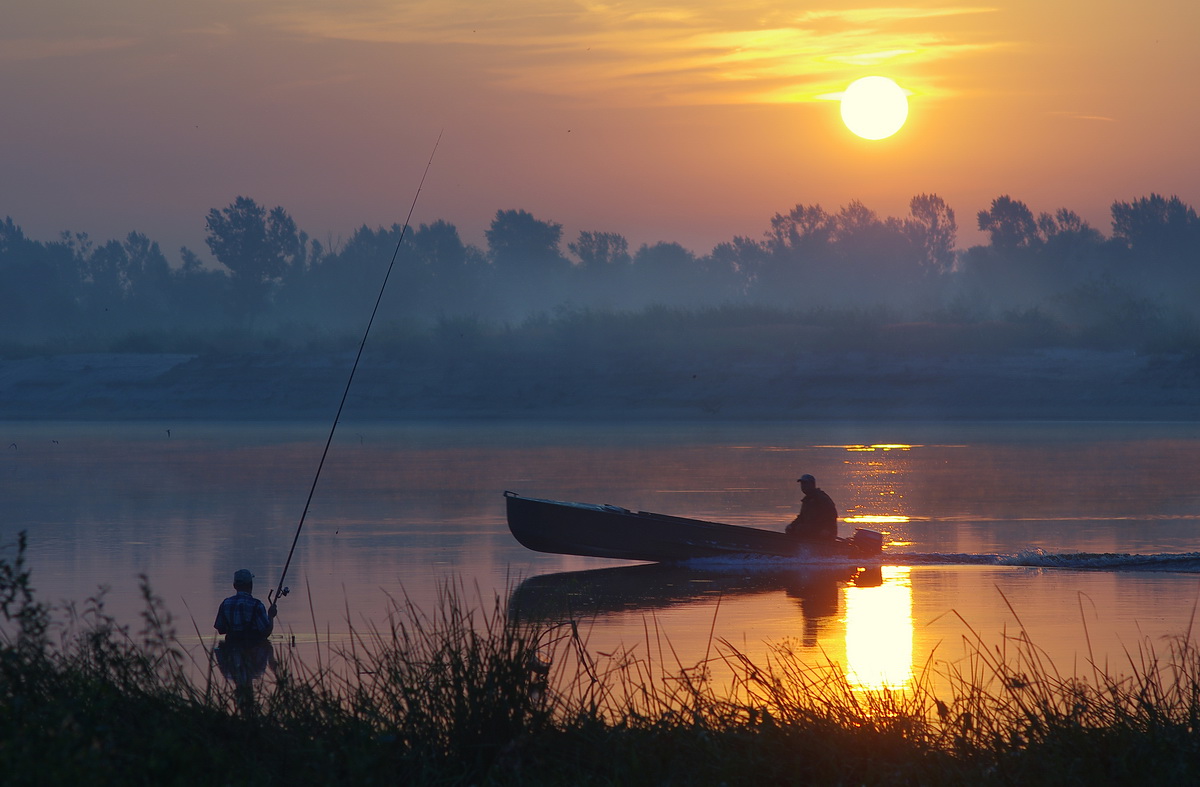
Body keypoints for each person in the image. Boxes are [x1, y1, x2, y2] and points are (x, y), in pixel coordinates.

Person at [214, 568, 277, 643]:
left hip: (230, 650)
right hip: (253, 651)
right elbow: (266, 631)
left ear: (234, 585)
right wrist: (271, 616)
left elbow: (220, 629)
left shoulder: (225, 604)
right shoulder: (257, 605)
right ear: (251, 585)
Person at [785, 474, 838, 543]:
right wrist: (792, 525)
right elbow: (801, 518)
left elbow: (832, 515)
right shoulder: (807, 500)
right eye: (802, 484)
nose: (803, 486)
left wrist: (827, 529)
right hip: (811, 529)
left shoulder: (821, 498)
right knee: (791, 529)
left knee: (800, 528)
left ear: (812, 484)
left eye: (805, 484)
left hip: (823, 532)